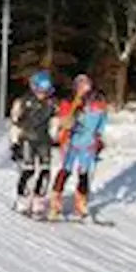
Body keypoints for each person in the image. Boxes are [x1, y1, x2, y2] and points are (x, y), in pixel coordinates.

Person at [49, 72, 108, 221]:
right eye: (80, 86)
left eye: (86, 86)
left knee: (84, 173)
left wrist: (99, 137)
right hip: (71, 142)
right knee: (66, 170)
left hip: (88, 143)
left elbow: (101, 120)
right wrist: (70, 117)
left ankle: (80, 202)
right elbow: (64, 121)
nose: (84, 90)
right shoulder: (69, 102)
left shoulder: (97, 102)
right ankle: (56, 199)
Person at [8, 70, 58, 215]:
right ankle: (22, 199)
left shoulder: (51, 103)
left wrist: (55, 135)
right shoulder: (23, 102)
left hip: (44, 140)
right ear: (34, 87)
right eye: (40, 89)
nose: (43, 93)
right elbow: (15, 124)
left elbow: (55, 120)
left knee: (45, 170)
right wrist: (15, 143)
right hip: (27, 139)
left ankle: (38, 199)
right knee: (28, 169)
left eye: (46, 89)